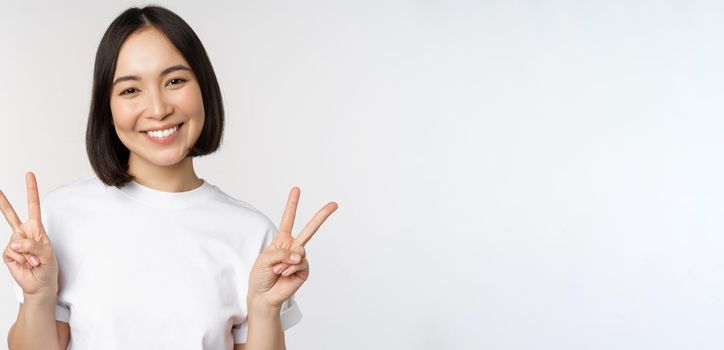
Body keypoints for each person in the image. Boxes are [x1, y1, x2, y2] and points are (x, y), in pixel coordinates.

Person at [0, 5, 337, 350]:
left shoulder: (252, 235)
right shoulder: (61, 217)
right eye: (131, 90)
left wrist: (265, 309)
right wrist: (38, 295)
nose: (159, 109)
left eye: (175, 81)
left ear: (204, 87)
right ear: (108, 107)